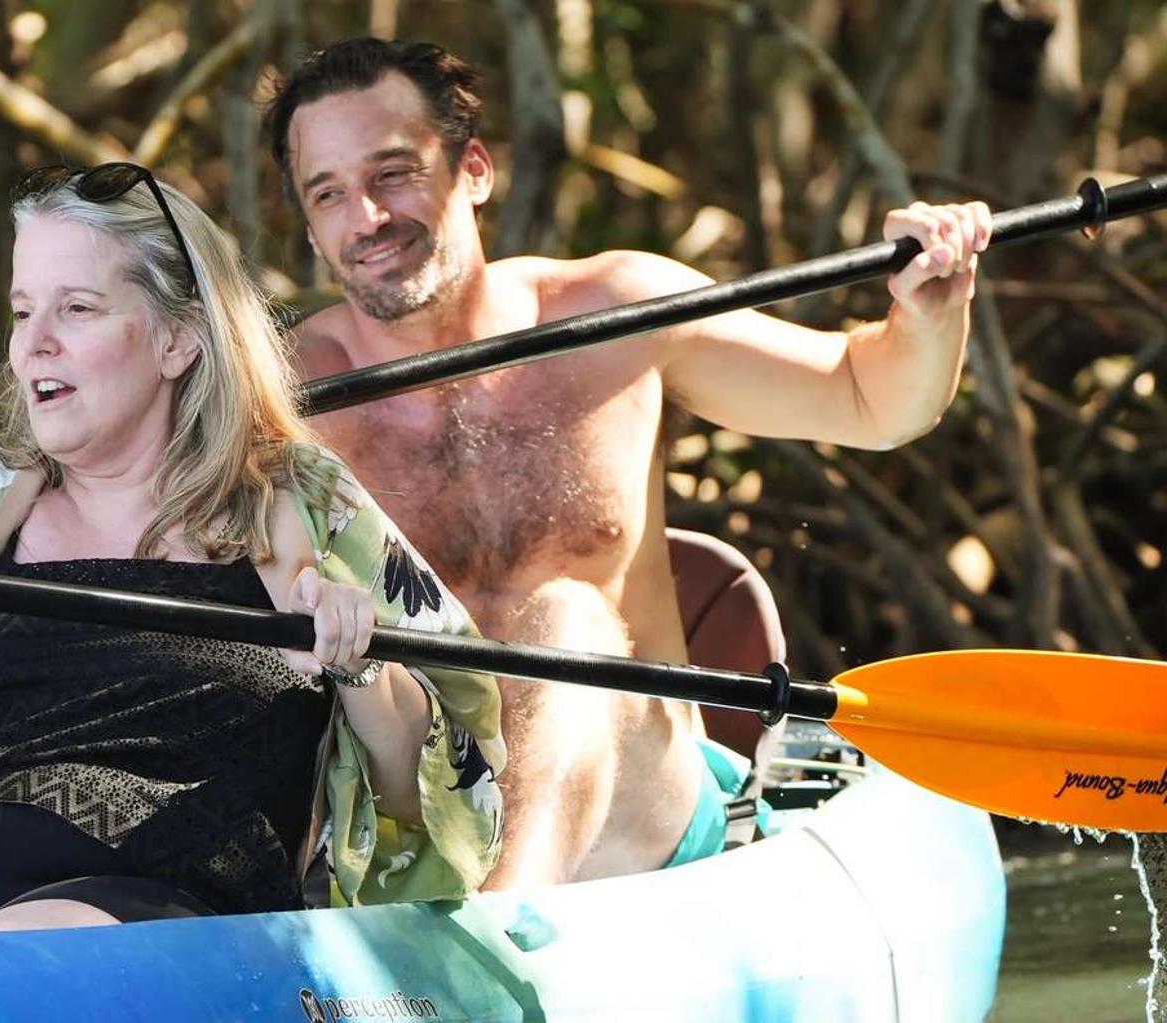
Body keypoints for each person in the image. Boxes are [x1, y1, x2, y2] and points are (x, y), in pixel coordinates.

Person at [261, 38, 993, 888]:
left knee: (567, 618)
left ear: (475, 170)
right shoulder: (278, 397)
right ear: (311, 229)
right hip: (413, 823)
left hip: (635, 820)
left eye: (393, 174)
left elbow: (870, 399)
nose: (367, 218)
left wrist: (931, 310)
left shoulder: (619, 315)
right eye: (329, 194)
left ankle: (497, 939)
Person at [0, 162, 506, 932]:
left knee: (12, 962)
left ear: (177, 338)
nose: (33, 345)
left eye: (76, 308)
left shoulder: (305, 502)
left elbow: (433, 786)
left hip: (153, 895)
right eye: (22, 313)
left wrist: (361, 661)